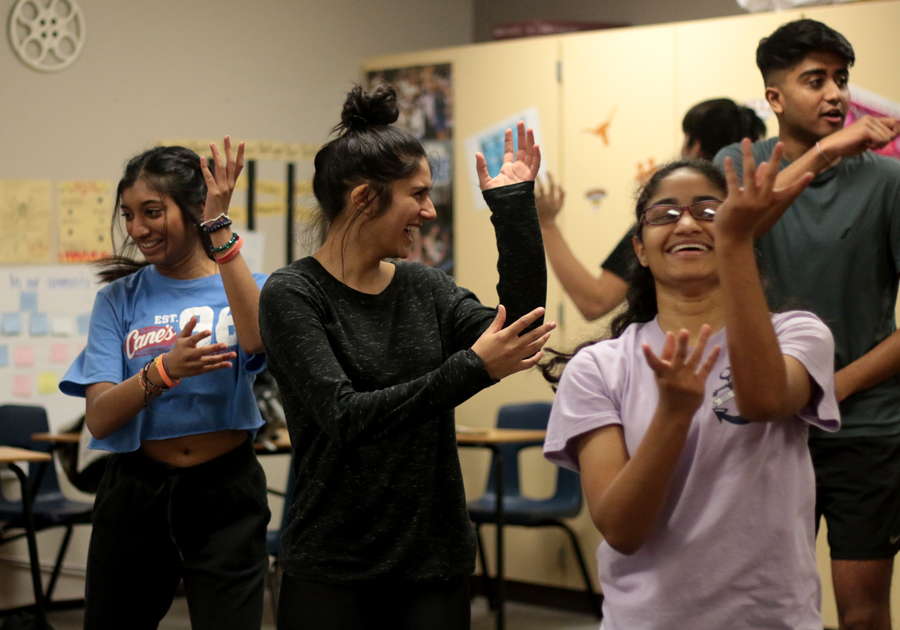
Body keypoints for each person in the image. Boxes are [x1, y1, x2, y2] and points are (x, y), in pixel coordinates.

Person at [258, 85, 554, 630]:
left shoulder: (424, 286)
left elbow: (519, 327)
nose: (429, 209)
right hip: (332, 566)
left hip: (432, 561)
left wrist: (513, 210)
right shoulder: (292, 294)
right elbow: (346, 417)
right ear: (364, 198)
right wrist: (474, 368)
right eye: (416, 194)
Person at [541, 143, 838, 629]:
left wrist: (735, 241)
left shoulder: (798, 335)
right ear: (639, 247)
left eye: (708, 212)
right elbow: (620, 529)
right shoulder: (598, 367)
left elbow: (763, 400)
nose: (686, 224)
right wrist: (673, 415)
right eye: (665, 214)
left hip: (773, 619)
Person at [713, 19, 900, 630]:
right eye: (815, 80)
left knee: (863, 608)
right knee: (758, 603)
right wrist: (823, 156)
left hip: (864, 425)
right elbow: (733, 241)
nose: (836, 95)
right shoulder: (736, 165)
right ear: (773, 98)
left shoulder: (889, 182)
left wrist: (830, 389)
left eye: (842, 80)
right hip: (761, 423)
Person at [60, 139, 271, 630]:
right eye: (129, 214)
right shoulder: (117, 300)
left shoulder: (245, 282)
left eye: (152, 211)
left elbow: (258, 341)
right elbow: (101, 416)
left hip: (226, 493)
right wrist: (162, 372)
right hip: (137, 491)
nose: (137, 229)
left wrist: (218, 225)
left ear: (194, 208)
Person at [538, 98, 767, 321]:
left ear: (694, 145)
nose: (687, 225)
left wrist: (546, 224)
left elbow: (595, 301)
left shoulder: (660, 223)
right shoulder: (772, 210)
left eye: (706, 211)